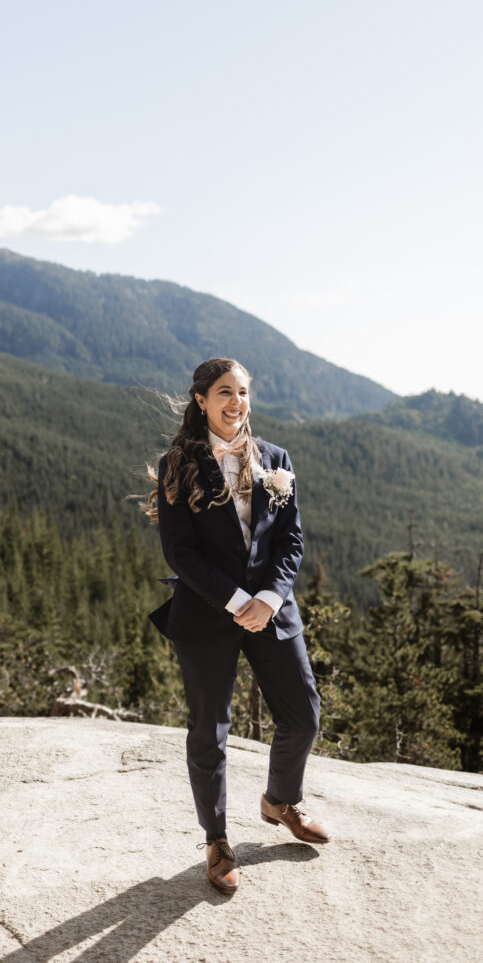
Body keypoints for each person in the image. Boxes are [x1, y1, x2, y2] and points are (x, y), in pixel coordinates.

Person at [144, 357, 330, 895]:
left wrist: (269, 598)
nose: (236, 402)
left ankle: (281, 801)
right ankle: (217, 840)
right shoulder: (177, 463)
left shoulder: (276, 459)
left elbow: (291, 541)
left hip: (273, 612)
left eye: (243, 392)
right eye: (225, 391)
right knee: (210, 731)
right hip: (207, 615)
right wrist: (235, 600)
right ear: (201, 399)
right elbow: (179, 551)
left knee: (303, 712)